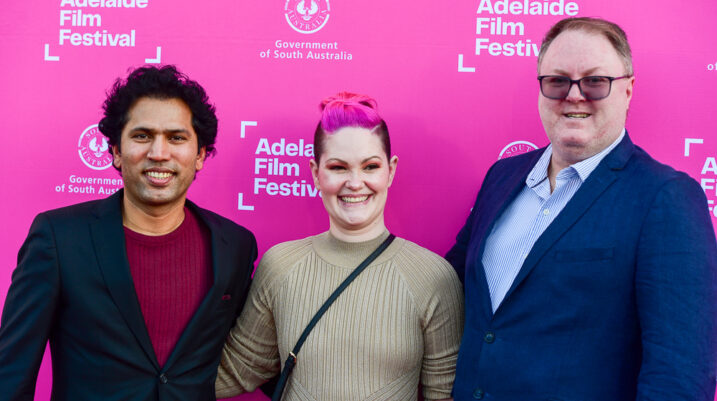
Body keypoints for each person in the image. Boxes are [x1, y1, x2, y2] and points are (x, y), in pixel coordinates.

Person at [446, 17, 717, 401]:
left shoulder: (666, 198)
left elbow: (680, 375)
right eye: (558, 81)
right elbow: (449, 285)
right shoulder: (501, 177)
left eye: (595, 81)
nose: (574, 95)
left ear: (628, 90)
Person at [0, 65, 257, 401]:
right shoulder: (59, 239)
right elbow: (12, 374)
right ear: (116, 152)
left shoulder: (234, 246)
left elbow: (259, 352)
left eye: (176, 138)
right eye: (142, 136)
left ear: (200, 155)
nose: (159, 153)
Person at [215, 92, 464, 401]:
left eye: (370, 166)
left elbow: (444, 394)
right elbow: (239, 369)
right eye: (338, 167)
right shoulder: (280, 265)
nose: (355, 183)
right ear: (315, 174)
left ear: (391, 170)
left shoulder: (433, 277)